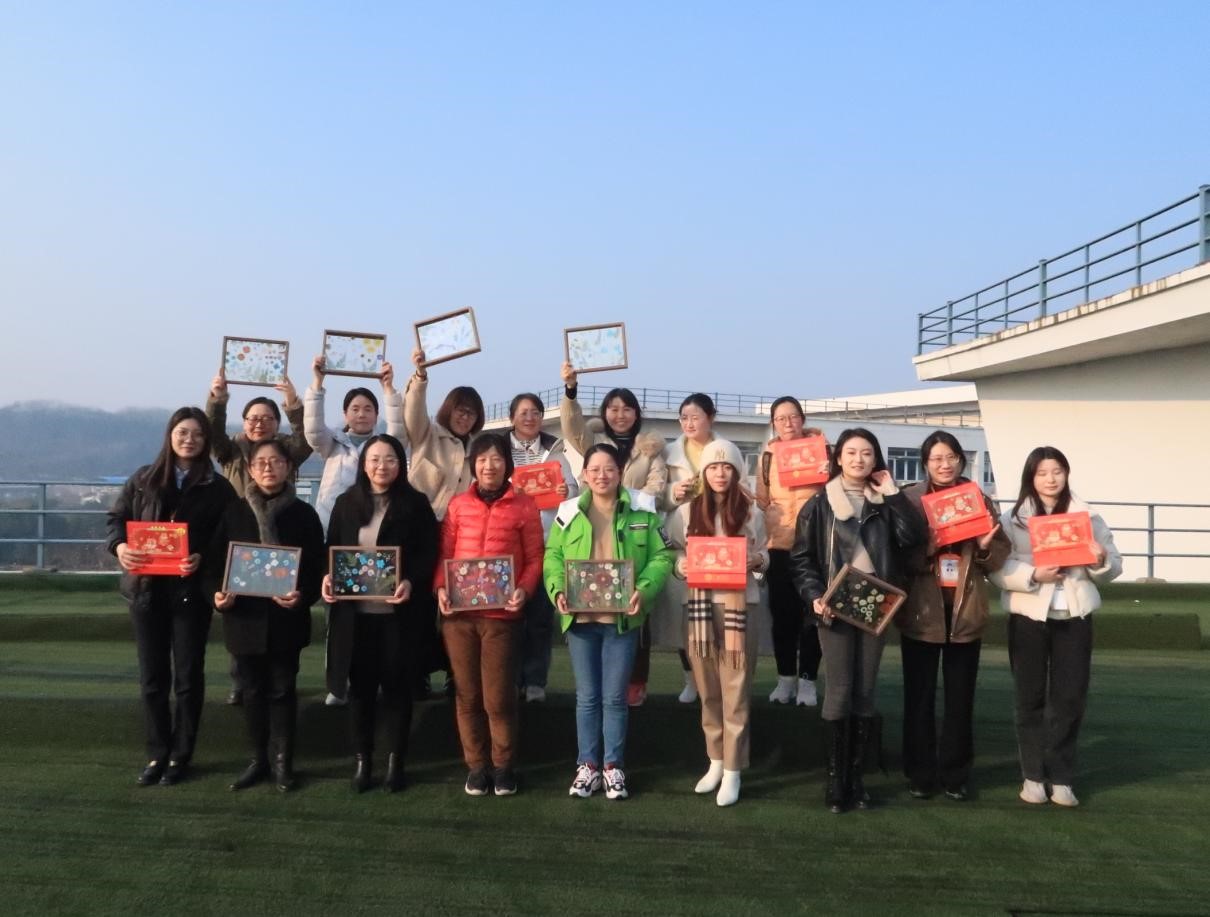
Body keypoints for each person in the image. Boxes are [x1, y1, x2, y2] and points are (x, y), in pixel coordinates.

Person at [789, 428, 927, 813]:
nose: (859, 459)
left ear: (876, 459)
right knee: (839, 688)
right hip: (834, 604)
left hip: (876, 602)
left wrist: (894, 494)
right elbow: (801, 559)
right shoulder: (819, 504)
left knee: (865, 689)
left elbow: (913, 538)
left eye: (867, 453)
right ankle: (836, 780)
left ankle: (857, 778)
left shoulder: (886, 501)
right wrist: (815, 595)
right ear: (838, 458)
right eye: (851, 452)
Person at [106, 407, 238, 787]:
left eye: (197, 433)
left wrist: (202, 557)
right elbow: (116, 520)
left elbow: (228, 538)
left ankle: (181, 754)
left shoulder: (218, 487)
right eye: (182, 432)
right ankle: (156, 753)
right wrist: (120, 547)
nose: (189, 440)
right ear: (170, 435)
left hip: (190, 593)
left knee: (188, 677)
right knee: (152, 678)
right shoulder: (143, 478)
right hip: (146, 591)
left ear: (206, 440)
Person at [989, 446, 1121, 808]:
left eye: (1057, 471)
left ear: (1066, 474)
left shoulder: (1088, 517)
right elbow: (997, 569)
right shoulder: (1012, 519)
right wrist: (1034, 574)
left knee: (1070, 698)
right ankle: (1033, 777)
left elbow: (1113, 565)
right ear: (1031, 478)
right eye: (1043, 473)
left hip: (1074, 617)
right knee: (1029, 697)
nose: (1051, 479)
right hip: (1029, 616)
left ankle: (1061, 778)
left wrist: (1099, 559)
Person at [543, 443, 673, 801]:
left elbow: (661, 557)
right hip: (581, 620)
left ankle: (613, 767)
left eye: (609, 469)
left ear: (620, 473)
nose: (602, 476)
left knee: (615, 698)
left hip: (622, 622)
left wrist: (643, 590)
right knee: (587, 697)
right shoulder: (568, 512)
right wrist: (557, 590)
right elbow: (552, 556)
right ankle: (587, 766)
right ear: (584, 475)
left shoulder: (642, 509)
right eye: (595, 470)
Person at [321, 434, 439, 793]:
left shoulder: (416, 504)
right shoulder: (346, 503)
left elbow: (428, 553)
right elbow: (331, 551)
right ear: (363, 464)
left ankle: (395, 762)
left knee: (397, 690)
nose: (381, 466)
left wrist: (411, 582)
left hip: (398, 618)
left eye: (390, 459)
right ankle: (363, 762)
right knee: (360, 691)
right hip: (355, 618)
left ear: (401, 464)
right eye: (374, 459)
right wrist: (327, 578)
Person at [206, 439, 324, 793]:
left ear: (289, 467)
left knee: (283, 690)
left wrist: (302, 595)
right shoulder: (234, 512)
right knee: (252, 692)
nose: (268, 468)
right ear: (251, 469)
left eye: (276, 461)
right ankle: (258, 760)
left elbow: (317, 567)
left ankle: (283, 763)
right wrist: (217, 595)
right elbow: (214, 565)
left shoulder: (304, 514)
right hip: (244, 619)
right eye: (261, 462)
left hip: (287, 619)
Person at [898, 431, 1010, 801]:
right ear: (925, 463)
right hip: (922, 611)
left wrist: (984, 548)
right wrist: (927, 549)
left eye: (951, 457)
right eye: (936, 459)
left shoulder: (978, 498)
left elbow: (999, 555)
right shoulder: (910, 500)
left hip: (965, 609)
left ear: (961, 460)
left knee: (961, 698)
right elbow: (898, 557)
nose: (944, 465)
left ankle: (955, 773)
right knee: (919, 697)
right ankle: (919, 773)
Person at [434, 433, 544, 797]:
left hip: (502, 617)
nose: (489, 465)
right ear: (473, 465)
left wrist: (523, 590)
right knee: (467, 696)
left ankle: (503, 766)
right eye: (482, 459)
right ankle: (477, 767)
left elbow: (535, 557)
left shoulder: (524, 506)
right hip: (459, 618)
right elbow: (445, 554)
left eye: (496, 458)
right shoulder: (457, 506)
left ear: (507, 463)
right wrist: (441, 589)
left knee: (498, 698)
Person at [666, 439, 769, 807]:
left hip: (741, 607)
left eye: (727, 467)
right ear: (703, 473)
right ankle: (715, 760)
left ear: (737, 471)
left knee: (736, 690)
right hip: (699, 609)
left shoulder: (752, 513)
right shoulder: (685, 512)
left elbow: (765, 552)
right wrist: (681, 566)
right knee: (708, 689)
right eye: (713, 467)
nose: (720, 473)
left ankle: (733, 770)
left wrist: (758, 561)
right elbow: (672, 552)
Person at [560, 363, 668, 707]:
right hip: (597, 532)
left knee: (636, 611)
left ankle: (636, 682)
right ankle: (601, 686)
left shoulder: (651, 448)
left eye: (627, 409)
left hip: (635, 531)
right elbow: (571, 427)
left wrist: (629, 503)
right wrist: (571, 391)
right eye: (613, 409)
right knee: (595, 614)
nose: (620, 415)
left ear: (637, 413)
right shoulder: (594, 442)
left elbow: (657, 487)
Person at [206, 369, 313, 707]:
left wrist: (293, 403)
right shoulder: (232, 450)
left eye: (267, 418)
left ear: (277, 424)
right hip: (242, 535)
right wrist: (217, 400)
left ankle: (279, 685)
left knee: (281, 620)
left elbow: (306, 438)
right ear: (243, 422)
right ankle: (241, 683)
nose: (259, 423)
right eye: (252, 418)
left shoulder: (286, 452)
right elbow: (212, 434)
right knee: (244, 617)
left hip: (281, 535)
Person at [303, 355, 404, 707]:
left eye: (368, 409)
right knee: (339, 616)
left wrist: (389, 389)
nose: (362, 414)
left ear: (377, 415)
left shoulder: (384, 446)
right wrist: (317, 384)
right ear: (345, 414)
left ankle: (377, 679)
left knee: (375, 616)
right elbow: (312, 430)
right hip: (338, 540)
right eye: (355, 409)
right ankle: (338, 683)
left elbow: (400, 430)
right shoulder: (332, 444)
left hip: (377, 541)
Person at [404, 347, 486, 700]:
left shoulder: (480, 450)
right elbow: (412, 411)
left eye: (471, 413)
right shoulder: (427, 435)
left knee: (459, 608)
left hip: (462, 539)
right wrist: (420, 377)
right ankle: (418, 673)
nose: (464, 418)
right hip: (422, 533)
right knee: (420, 608)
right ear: (448, 409)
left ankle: (457, 673)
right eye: (460, 410)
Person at [755, 396, 826, 707]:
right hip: (780, 545)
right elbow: (762, 498)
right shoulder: (767, 456)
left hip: (815, 546)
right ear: (773, 423)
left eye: (793, 416)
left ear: (803, 419)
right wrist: (772, 515)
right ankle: (785, 678)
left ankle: (808, 680)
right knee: (783, 617)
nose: (787, 423)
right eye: (780, 418)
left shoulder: (823, 450)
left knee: (813, 615)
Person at [507, 391, 577, 704]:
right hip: (508, 546)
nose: (530, 417)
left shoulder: (556, 451)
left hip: (546, 544)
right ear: (512, 417)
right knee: (508, 619)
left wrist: (565, 490)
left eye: (535, 412)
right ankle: (509, 680)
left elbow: (574, 490)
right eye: (523, 412)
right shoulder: (499, 449)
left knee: (539, 619)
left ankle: (535, 681)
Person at [652, 393, 720, 704]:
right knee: (684, 615)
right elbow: (655, 497)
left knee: (717, 614)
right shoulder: (668, 452)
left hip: (718, 538)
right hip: (682, 536)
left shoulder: (725, 449)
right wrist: (673, 492)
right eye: (684, 418)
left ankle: (716, 679)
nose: (689, 423)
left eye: (695, 417)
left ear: (710, 418)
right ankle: (690, 678)